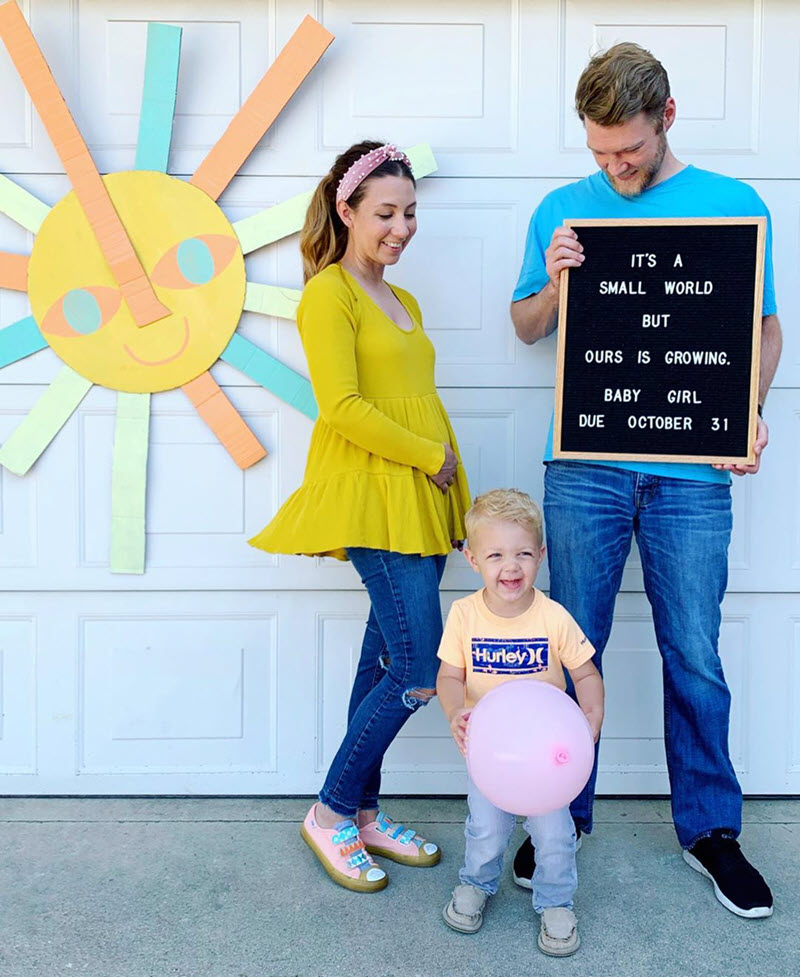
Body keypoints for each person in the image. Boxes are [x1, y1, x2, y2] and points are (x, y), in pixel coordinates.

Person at [509, 43, 782, 918]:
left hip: (692, 477)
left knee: (694, 655)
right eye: (599, 152)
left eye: (627, 150)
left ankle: (712, 831)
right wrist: (553, 284)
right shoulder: (562, 209)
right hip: (584, 468)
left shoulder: (734, 207)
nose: (614, 167)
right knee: (567, 645)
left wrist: (748, 413)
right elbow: (524, 328)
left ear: (667, 116)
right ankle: (558, 815)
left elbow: (762, 330)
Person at [249, 141, 471, 892]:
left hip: (419, 496)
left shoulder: (402, 301)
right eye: (385, 212)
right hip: (374, 495)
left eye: (410, 212)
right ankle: (330, 809)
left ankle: (365, 812)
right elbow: (341, 407)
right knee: (415, 667)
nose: (402, 227)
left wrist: (453, 491)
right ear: (345, 211)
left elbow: (422, 404)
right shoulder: (328, 295)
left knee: (382, 659)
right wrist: (427, 456)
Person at [436, 489, 604, 956]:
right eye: (495, 555)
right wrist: (454, 711)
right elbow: (449, 675)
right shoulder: (465, 615)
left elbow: (586, 672)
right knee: (485, 828)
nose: (510, 567)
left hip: (547, 760)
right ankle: (476, 883)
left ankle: (555, 901)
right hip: (490, 756)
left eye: (523, 554)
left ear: (541, 556)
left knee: (554, 834)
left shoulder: (553, 617)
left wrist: (590, 715)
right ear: (472, 559)